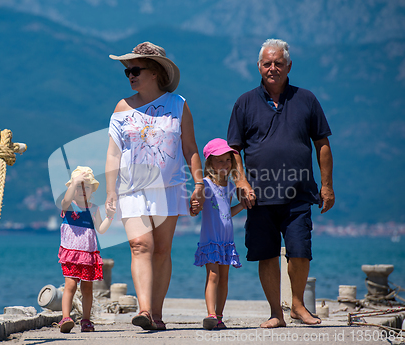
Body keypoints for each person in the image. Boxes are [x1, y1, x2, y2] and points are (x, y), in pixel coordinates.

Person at [227, 39, 335, 328]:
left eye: (278, 63)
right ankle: (276, 312)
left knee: (300, 251)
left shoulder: (307, 99)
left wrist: (327, 186)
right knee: (267, 254)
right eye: (267, 63)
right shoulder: (245, 102)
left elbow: (322, 143)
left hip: (299, 193)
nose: (272, 68)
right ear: (259, 67)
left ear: (288, 66)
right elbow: (233, 149)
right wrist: (241, 180)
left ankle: (298, 306)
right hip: (259, 196)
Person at [105, 42, 204, 330]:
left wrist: (198, 183)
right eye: (128, 72)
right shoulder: (121, 108)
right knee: (140, 245)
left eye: (136, 70)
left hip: (169, 188)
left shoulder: (179, 105)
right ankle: (144, 309)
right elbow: (113, 153)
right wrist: (111, 189)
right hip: (131, 188)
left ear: (156, 72)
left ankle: (156, 314)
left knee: (161, 250)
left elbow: (190, 148)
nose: (130, 76)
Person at [192, 138, 250, 330]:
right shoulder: (206, 185)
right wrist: (194, 206)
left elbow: (226, 212)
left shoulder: (229, 186)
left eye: (227, 160)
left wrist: (242, 206)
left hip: (226, 241)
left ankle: (219, 316)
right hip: (211, 239)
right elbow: (197, 206)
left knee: (224, 278)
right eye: (219, 160)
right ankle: (210, 314)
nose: (224, 164)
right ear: (209, 163)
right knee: (213, 276)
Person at [57, 166, 115, 333]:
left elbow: (101, 229)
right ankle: (66, 318)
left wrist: (110, 216)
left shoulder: (94, 209)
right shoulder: (68, 206)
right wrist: (74, 182)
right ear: (72, 189)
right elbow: (65, 201)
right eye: (79, 186)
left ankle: (86, 320)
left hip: (88, 254)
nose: (82, 190)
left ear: (92, 191)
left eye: (86, 187)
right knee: (70, 285)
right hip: (71, 253)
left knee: (87, 288)